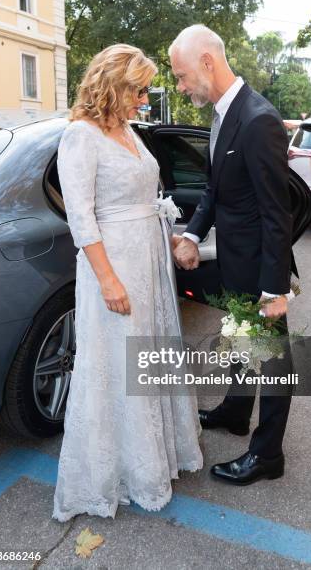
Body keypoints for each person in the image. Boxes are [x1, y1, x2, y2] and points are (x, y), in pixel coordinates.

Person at [53, 44, 202, 522]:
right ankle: (109, 476)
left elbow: (148, 197)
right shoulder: (81, 135)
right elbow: (81, 217)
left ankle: (152, 461)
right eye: (138, 90)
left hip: (149, 262)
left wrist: (175, 237)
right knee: (114, 366)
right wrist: (108, 281)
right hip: (113, 265)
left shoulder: (130, 132)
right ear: (113, 85)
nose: (144, 99)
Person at [169, 25, 296, 486]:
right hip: (236, 261)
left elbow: (275, 212)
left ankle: (267, 456)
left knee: (275, 362)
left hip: (262, 268)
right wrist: (192, 234)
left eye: (182, 76)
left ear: (207, 62)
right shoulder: (225, 114)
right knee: (241, 343)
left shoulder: (259, 118)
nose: (180, 87)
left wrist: (275, 289)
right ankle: (235, 412)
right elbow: (215, 190)